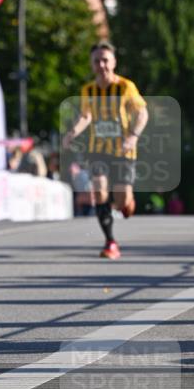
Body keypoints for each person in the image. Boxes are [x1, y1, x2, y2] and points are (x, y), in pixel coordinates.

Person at [62, 41, 148, 259]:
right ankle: (110, 242)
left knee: (121, 202)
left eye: (105, 60)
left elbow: (142, 113)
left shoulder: (126, 87)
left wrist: (133, 136)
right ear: (92, 64)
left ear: (114, 62)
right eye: (97, 61)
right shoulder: (88, 90)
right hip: (97, 149)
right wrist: (73, 132)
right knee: (99, 190)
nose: (101, 65)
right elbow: (86, 116)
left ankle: (125, 203)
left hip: (123, 151)